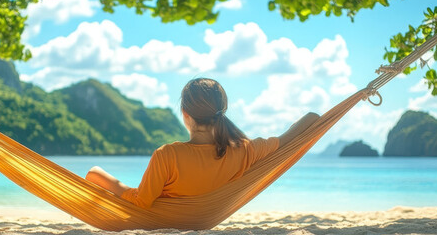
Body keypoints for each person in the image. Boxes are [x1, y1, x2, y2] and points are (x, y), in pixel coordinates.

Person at [85, 78, 320, 209]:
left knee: (94, 174)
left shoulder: (168, 155)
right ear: (222, 112)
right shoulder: (245, 150)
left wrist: (105, 181)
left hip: (166, 217)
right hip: (207, 216)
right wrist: (323, 118)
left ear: (185, 114)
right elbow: (306, 124)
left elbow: (143, 202)